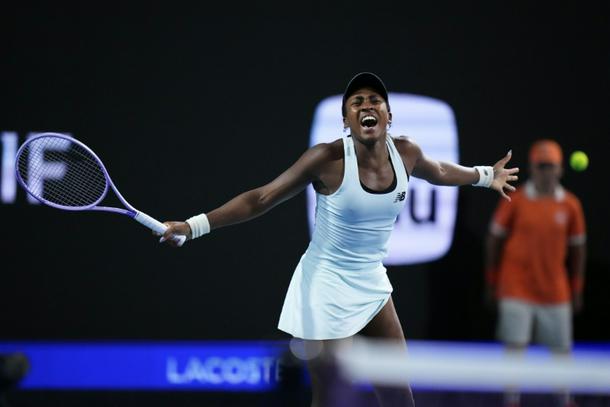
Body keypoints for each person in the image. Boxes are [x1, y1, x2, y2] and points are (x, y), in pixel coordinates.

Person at [161, 72, 519, 407]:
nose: (366, 106)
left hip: (371, 282)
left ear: (389, 116)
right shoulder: (326, 159)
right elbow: (262, 198)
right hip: (324, 286)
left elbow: (439, 171)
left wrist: (485, 175)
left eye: (374, 100)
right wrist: (194, 226)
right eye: (356, 102)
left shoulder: (406, 152)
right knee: (330, 397)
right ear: (346, 120)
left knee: (399, 397)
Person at [484, 139, 586, 407]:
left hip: (555, 290)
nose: (546, 172)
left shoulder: (571, 205)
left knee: (562, 352)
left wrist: (576, 288)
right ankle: (511, 401)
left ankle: (565, 400)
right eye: (541, 166)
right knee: (514, 348)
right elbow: (494, 240)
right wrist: (492, 281)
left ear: (560, 169)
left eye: (550, 166)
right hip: (515, 287)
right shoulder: (515, 200)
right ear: (532, 168)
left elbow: (578, 249)